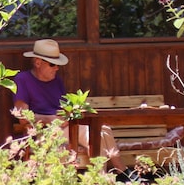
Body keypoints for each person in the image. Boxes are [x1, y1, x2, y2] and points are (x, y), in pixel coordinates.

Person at [12, 39, 124, 170]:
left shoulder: (56, 81)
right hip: (44, 132)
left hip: (66, 128)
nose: (57, 68)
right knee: (98, 133)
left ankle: (109, 176)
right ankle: (118, 173)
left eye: (58, 64)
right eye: (53, 64)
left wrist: (71, 113)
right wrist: (51, 120)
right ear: (38, 62)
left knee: (102, 130)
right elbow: (22, 117)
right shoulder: (22, 80)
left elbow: (63, 107)